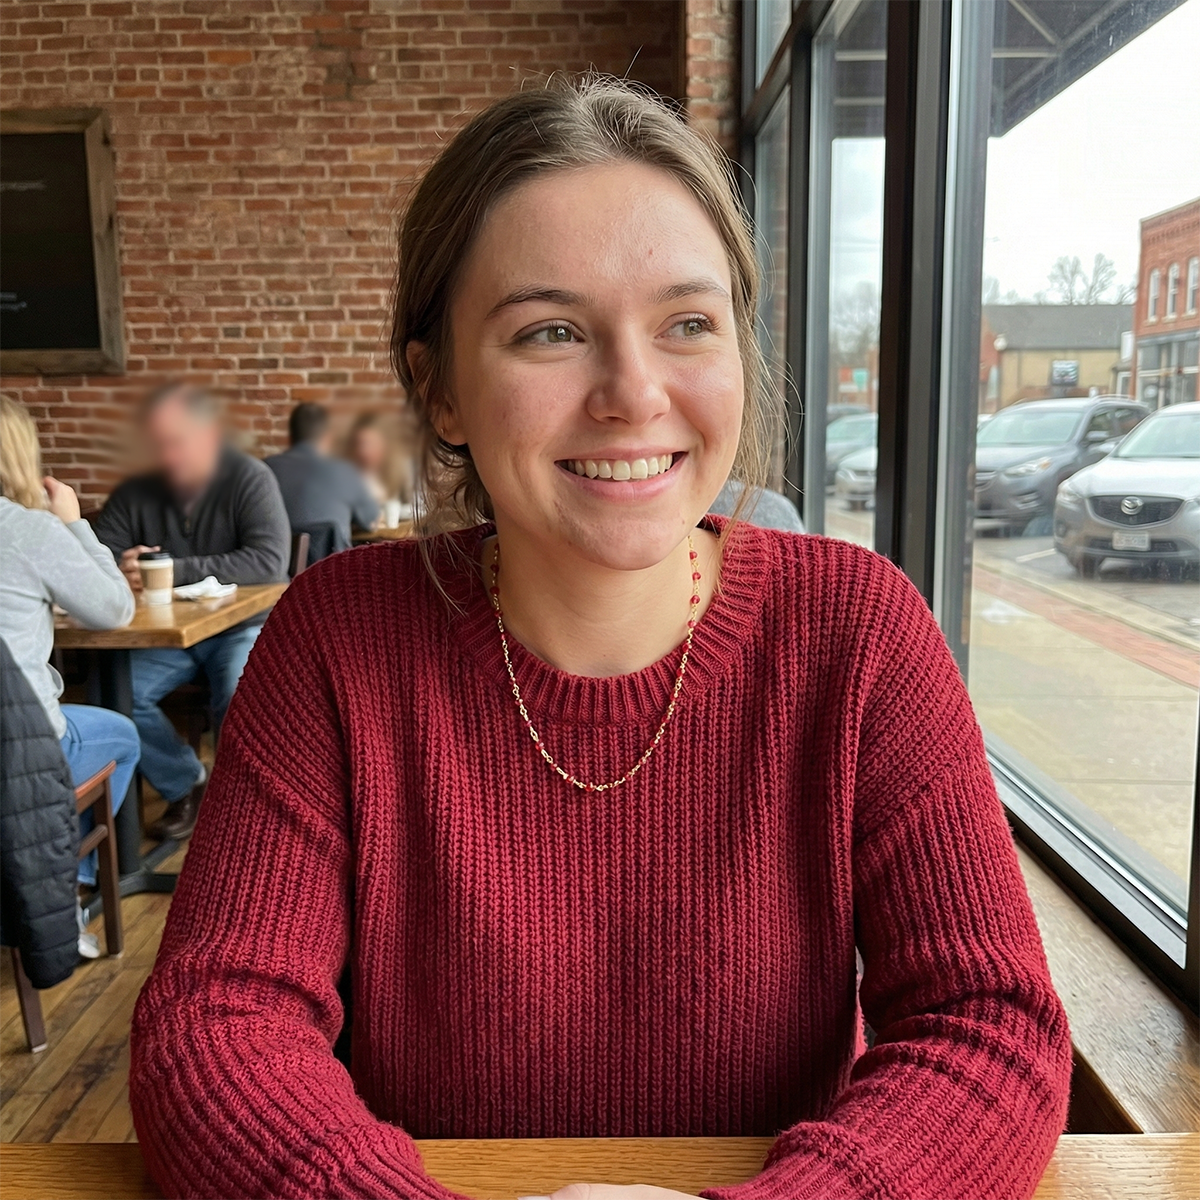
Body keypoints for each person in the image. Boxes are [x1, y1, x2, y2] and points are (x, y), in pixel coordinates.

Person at [130, 79, 1070, 1200]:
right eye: (551, 332)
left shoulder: (859, 631)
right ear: (440, 391)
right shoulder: (339, 639)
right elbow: (218, 1022)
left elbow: (987, 1023)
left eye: (688, 324)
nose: (633, 393)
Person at [93, 384, 290, 843]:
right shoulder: (136, 490)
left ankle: (243, 815)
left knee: (240, 690)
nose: (166, 455)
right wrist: (118, 566)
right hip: (167, 636)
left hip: (239, 626)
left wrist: (170, 570)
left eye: (177, 442)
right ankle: (185, 783)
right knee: (113, 693)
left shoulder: (249, 478)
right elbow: (99, 555)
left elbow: (268, 562)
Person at [0, 395, 139, 959]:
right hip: (21, 753)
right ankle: (69, 890)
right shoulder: (27, 529)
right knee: (123, 736)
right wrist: (75, 524)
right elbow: (114, 610)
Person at [265, 403, 379, 559]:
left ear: (290, 437)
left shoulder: (264, 470)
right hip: (333, 569)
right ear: (327, 437)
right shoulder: (345, 471)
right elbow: (370, 520)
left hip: (279, 568)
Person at [347, 409, 415, 522]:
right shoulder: (349, 472)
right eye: (360, 444)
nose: (363, 450)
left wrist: (391, 514)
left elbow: (414, 508)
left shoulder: (400, 469)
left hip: (397, 530)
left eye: (370, 443)